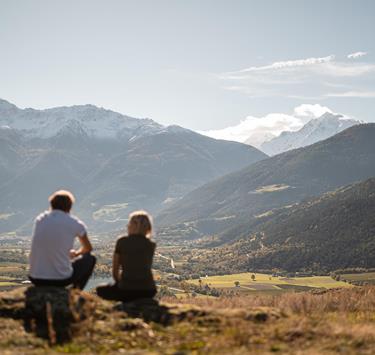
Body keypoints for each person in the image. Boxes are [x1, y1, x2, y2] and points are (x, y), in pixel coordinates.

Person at [29, 190, 96, 290]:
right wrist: (75, 254)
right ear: (70, 206)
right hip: (60, 280)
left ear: (51, 204)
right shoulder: (75, 223)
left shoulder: (40, 220)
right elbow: (88, 248)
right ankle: (76, 291)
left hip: (35, 278)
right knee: (90, 258)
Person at [96, 210, 157, 302]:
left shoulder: (122, 241)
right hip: (149, 290)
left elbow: (115, 272)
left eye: (129, 223)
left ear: (134, 226)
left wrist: (120, 283)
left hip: (127, 290)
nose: (127, 226)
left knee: (100, 290)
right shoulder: (151, 244)